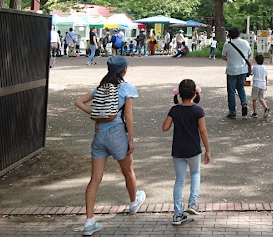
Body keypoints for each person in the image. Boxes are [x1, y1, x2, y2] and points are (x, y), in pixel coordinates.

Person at [73, 56, 146, 236]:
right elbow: (128, 116)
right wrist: (131, 138)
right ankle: (133, 202)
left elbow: (78, 101)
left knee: (95, 179)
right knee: (128, 171)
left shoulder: (101, 88)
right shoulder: (126, 88)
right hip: (117, 135)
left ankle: (89, 221)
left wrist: (97, 115)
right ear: (124, 70)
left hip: (99, 137)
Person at [161, 79, 211, 225]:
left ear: (180, 94)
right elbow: (203, 131)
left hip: (177, 151)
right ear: (195, 94)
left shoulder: (174, 110)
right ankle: (192, 203)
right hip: (194, 150)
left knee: (180, 181)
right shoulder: (198, 111)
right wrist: (207, 149)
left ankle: (177, 214)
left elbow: (165, 127)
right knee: (195, 173)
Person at [221, 27, 252, 119]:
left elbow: (223, 57)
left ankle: (232, 112)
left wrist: (230, 59)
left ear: (229, 35)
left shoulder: (227, 44)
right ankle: (244, 102)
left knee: (231, 91)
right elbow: (249, 55)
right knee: (241, 87)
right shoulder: (245, 42)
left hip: (231, 70)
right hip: (243, 70)